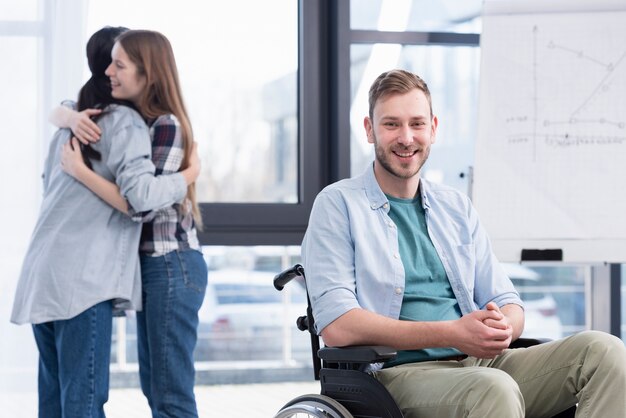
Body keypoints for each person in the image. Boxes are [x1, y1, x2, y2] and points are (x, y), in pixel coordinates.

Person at [301, 69, 626, 417]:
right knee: (493, 390)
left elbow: (506, 301)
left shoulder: (454, 206)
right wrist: (451, 333)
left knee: (606, 353)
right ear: (370, 130)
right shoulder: (338, 205)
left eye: (417, 124)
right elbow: (338, 325)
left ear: (434, 128)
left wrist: (503, 327)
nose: (406, 137)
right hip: (396, 377)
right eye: (391, 124)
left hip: (483, 365)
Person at [10, 26, 199, 418]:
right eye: (111, 62)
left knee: (61, 401)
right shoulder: (119, 124)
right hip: (83, 279)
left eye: (122, 62)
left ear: (145, 72)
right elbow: (140, 200)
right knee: (87, 400)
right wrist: (189, 176)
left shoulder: (73, 125)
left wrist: (68, 127)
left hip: (47, 274)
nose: (114, 70)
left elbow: (133, 201)